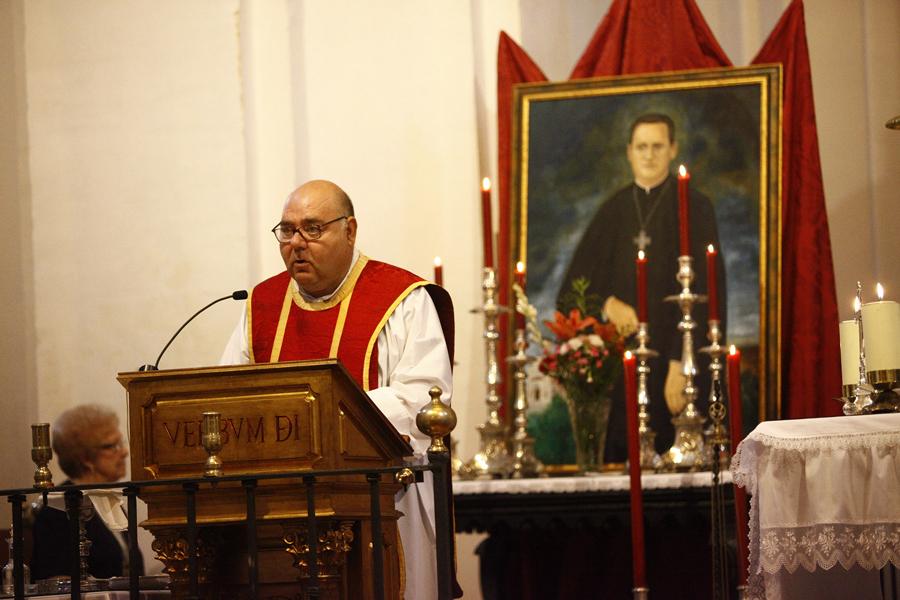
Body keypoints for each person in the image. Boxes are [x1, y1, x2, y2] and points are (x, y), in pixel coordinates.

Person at [220, 179, 457, 600]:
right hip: (278, 510)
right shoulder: (261, 305)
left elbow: (424, 398)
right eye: (287, 230)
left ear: (350, 230)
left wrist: (317, 415)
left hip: (382, 499)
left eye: (313, 228)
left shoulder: (401, 299)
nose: (297, 242)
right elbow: (227, 397)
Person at [559, 113, 726, 463]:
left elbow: (712, 293)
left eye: (657, 146)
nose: (649, 155)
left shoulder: (697, 207)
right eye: (642, 147)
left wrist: (684, 363)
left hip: (676, 366)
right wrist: (607, 305)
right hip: (624, 375)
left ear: (672, 149)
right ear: (629, 152)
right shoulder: (612, 211)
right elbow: (571, 290)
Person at [31, 404, 143, 581]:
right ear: (86, 458)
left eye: (120, 443)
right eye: (112, 446)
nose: (124, 452)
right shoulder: (57, 507)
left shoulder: (107, 499)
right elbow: (55, 581)